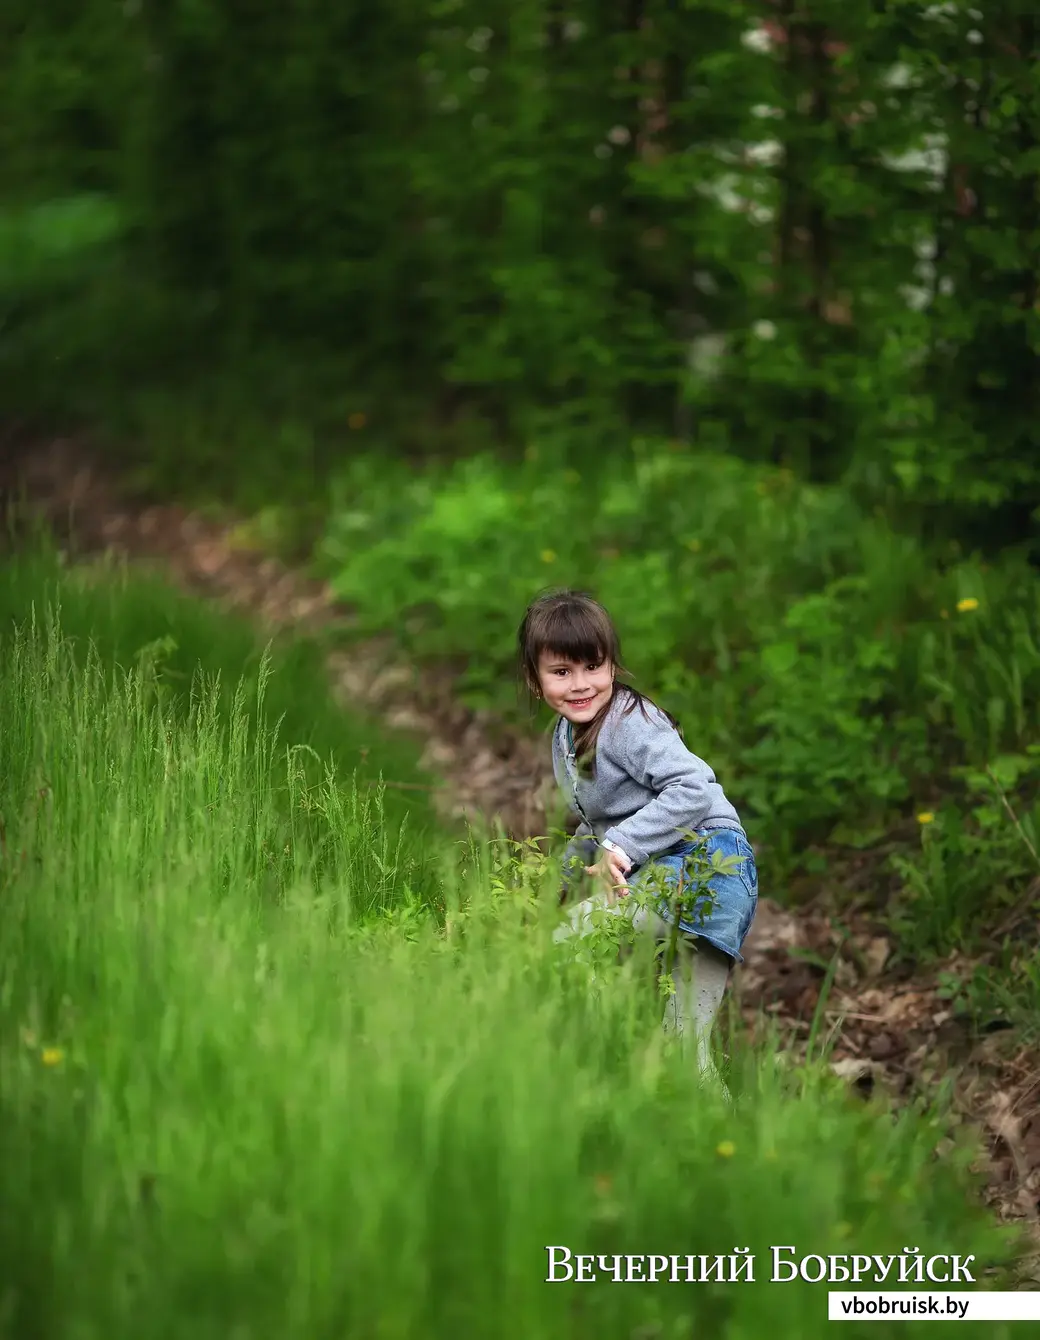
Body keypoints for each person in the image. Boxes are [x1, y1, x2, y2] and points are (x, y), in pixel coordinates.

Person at [517, 588, 759, 1094]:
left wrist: (621, 846)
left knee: (565, 946)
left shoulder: (629, 723)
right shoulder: (565, 738)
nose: (581, 685)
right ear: (535, 681)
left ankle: (583, 1068)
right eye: (562, 672)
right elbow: (598, 826)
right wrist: (553, 887)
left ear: (613, 666)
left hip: (707, 863)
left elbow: (694, 787)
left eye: (593, 667)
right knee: (684, 1056)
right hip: (671, 869)